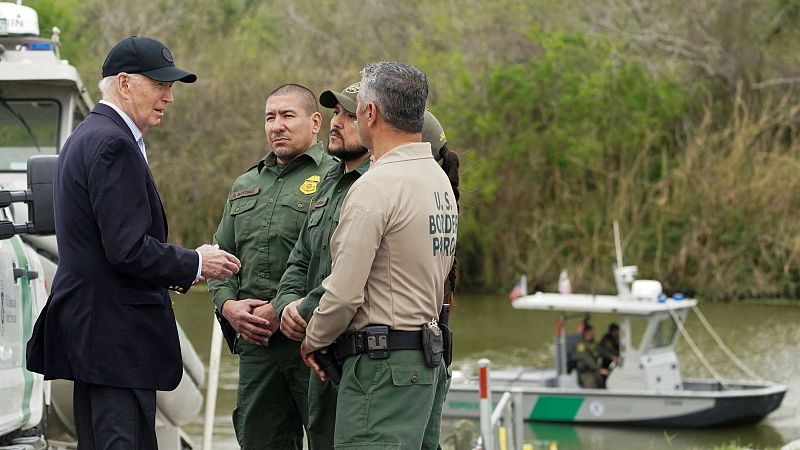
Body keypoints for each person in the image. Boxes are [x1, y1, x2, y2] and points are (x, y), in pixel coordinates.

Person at [26, 36, 241, 449]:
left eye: (171, 86)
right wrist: (196, 263)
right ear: (124, 83)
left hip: (96, 340)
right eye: (160, 84)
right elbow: (126, 249)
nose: (169, 97)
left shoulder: (88, 136)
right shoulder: (113, 144)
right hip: (115, 342)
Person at [274, 80, 459, 448]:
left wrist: (313, 337)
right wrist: (289, 306)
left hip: (377, 362)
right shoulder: (435, 184)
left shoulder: (377, 186)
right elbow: (304, 259)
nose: (340, 121)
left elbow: (343, 291)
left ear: (371, 115)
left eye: (352, 112)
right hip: (404, 359)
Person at [208, 83, 336, 450]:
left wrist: (282, 308)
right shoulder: (245, 184)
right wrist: (227, 306)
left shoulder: (338, 178)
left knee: (329, 439)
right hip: (256, 346)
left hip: (312, 341)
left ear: (315, 122)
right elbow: (222, 254)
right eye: (270, 117)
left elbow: (339, 261)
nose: (276, 125)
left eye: (287, 116)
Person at [573, 324, 609, 389]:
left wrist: (612, 356)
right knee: (592, 384)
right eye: (592, 332)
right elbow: (588, 360)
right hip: (586, 373)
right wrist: (599, 369)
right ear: (587, 333)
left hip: (594, 371)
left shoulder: (592, 343)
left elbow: (601, 350)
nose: (594, 333)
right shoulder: (581, 346)